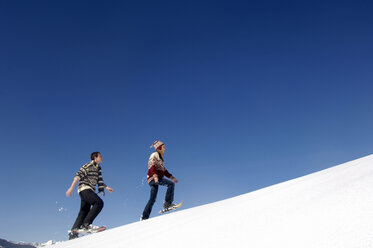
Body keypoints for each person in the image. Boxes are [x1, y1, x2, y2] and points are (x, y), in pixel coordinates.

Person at [66, 152, 114, 239]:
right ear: (95, 158)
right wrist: (71, 188)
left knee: (84, 211)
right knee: (98, 203)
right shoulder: (88, 165)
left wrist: (106, 187)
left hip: (87, 190)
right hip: (84, 188)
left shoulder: (98, 168)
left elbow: (99, 180)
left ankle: (73, 234)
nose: (102, 157)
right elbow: (78, 176)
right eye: (100, 156)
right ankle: (86, 224)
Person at [141, 140, 178, 220]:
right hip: (154, 178)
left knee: (152, 199)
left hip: (153, 179)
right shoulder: (154, 155)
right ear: (159, 148)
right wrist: (155, 176)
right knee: (171, 184)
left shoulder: (160, 159)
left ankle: (144, 217)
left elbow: (164, 171)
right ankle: (167, 204)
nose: (164, 149)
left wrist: (172, 177)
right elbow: (151, 166)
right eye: (163, 147)